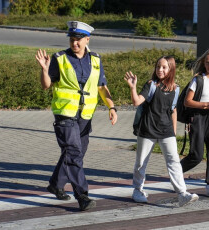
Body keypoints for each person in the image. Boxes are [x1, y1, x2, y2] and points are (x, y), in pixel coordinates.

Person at [35, 21, 118, 211]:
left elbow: (101, 87)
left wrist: (112, 107)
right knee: (73, 153)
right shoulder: (60, 58)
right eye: (72, 40)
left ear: (87, 39)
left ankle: (56, 184)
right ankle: (82, 195)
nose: (75, 43)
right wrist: (44, 69)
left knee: (76, 153)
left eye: (79, 40)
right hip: (65, 113)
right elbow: (46, 85)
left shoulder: (96, 60)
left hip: (85, 115)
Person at [124, 56, 199, 207]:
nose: (160, 70)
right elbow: (136, 102)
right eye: (158, 66)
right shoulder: (151, 85)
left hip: (166, 131)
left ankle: (182, 193)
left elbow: (173, 110)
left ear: (171, 69)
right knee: (141, 163)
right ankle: (137, 190)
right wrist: (132, 88)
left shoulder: (176, 88)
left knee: (174, 162)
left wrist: (173, 132)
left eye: (164, 67)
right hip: (148, 129)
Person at [180, 49, 209, 198]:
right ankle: (176, 171)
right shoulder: (198, 80)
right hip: (197, 117)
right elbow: (187, 102)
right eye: (207, 62)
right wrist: (206, 104)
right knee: (197, 155)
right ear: (204, 64)